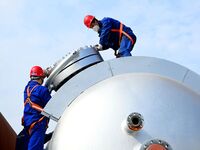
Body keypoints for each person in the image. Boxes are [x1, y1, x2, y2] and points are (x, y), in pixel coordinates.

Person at [17, 66, 52, 150]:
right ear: (41, 78)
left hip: (28, 124)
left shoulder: (27, 89)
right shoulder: (42, 90)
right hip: (38, 124)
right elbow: (53, 107)